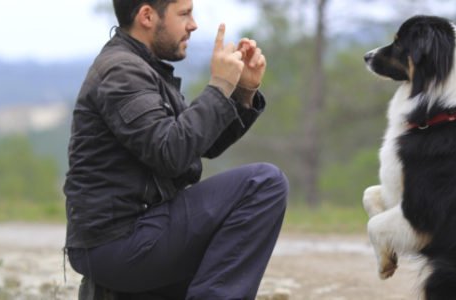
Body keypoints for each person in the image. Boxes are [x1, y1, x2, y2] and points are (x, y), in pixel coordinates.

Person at [63, 0, 288, 298]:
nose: (193, 24)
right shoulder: (121, 72)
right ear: (146, 16)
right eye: (184, 14)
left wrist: (242, 92)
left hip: (131, 235)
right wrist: (220, 85)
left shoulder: (140, 66)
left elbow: (197, 144)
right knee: (263, 184)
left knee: (241, 200)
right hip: (120, 242)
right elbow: (171, 154)